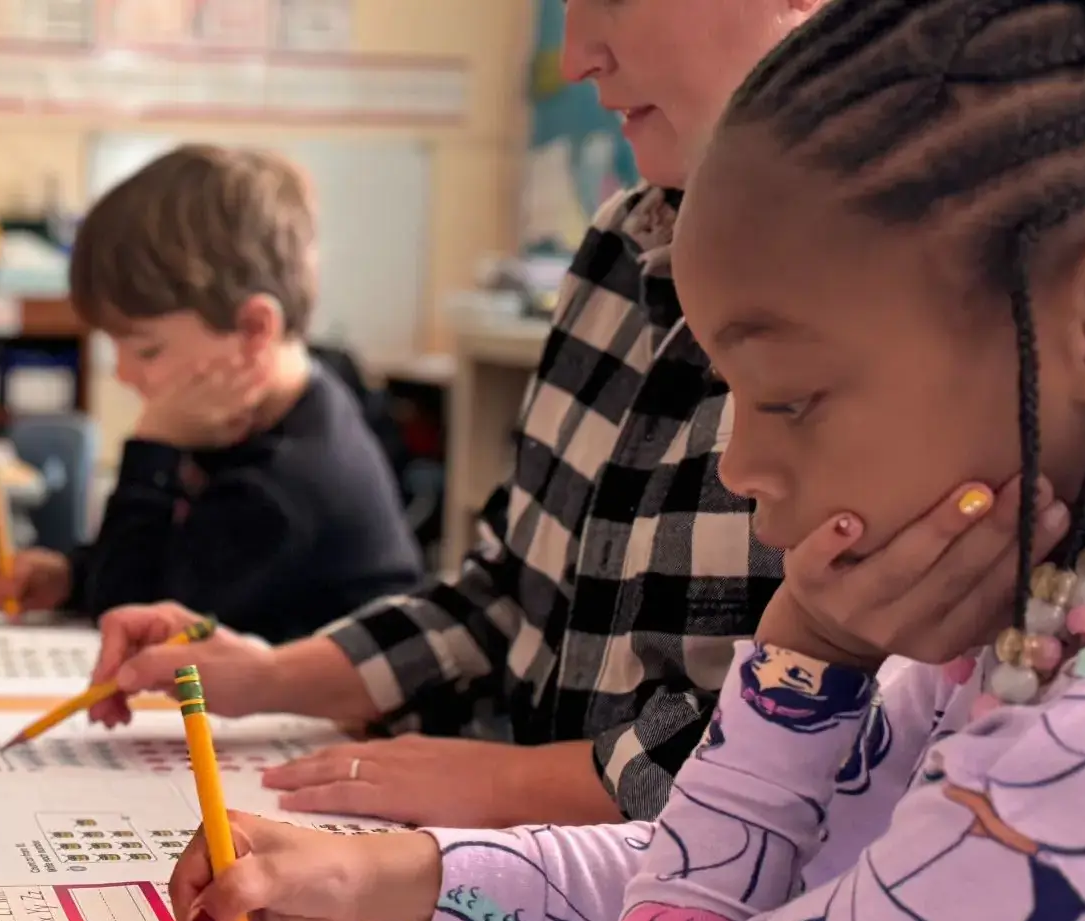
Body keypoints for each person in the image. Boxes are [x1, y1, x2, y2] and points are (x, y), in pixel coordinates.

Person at [164, 0, 1085, 921]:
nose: (741, 463)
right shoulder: (1079, 621)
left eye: (788, 396)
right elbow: (785, 878)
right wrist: (388, 871)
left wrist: (806, 657)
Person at [82, 0, 829, 829]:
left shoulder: (902, 300)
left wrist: (507, 785)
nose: (577, 57)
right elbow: (507, 588)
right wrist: (269, 674)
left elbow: (826, 736)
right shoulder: (621, 244)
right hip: (520, 881)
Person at [0, 144, 424, 644]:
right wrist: (72, 576)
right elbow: (181, 559)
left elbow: (131, 617)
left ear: (254, 330)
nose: (123, 372)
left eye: (146, 350)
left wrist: (152, 447)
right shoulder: (255, 416)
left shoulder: (290, 481)